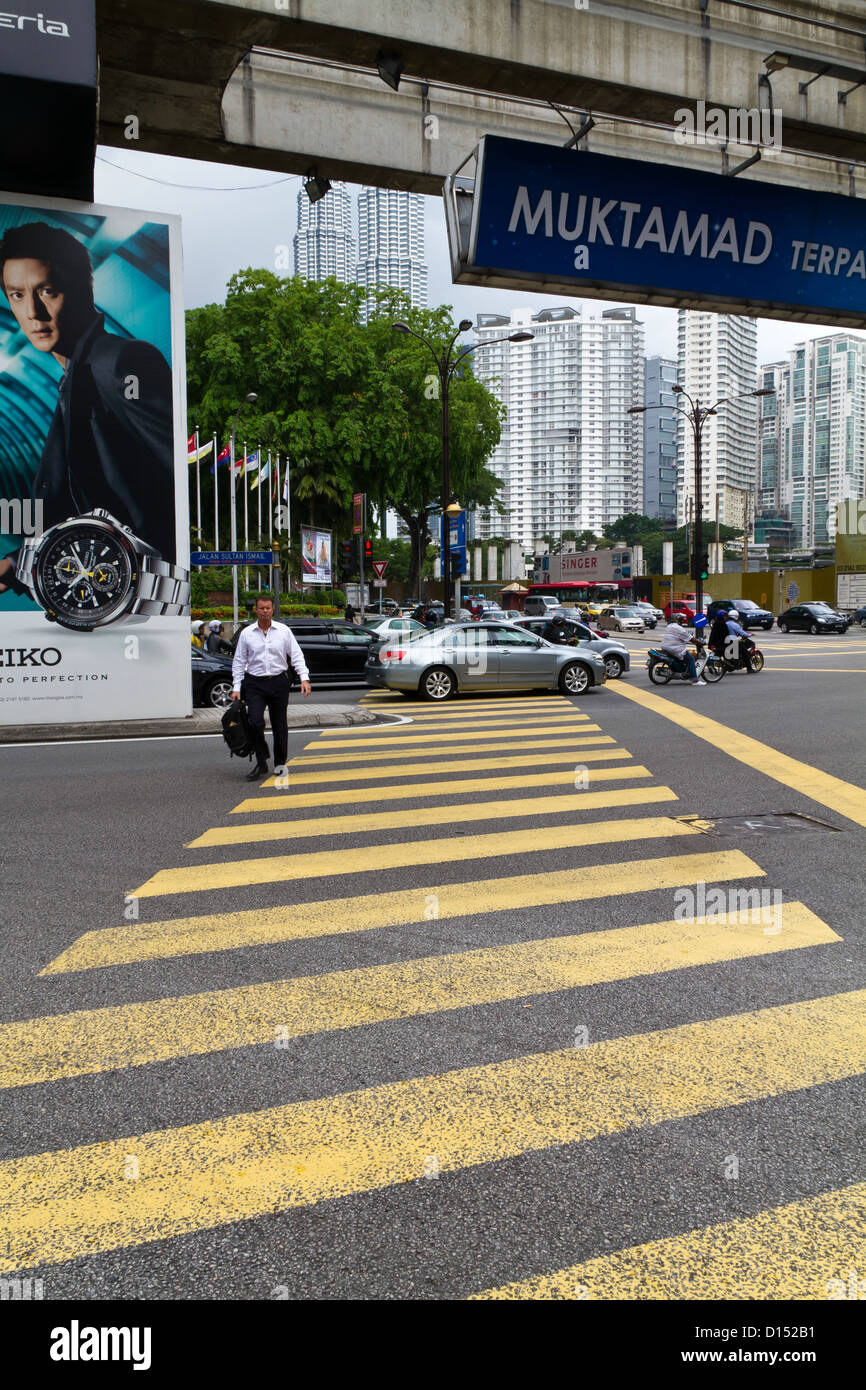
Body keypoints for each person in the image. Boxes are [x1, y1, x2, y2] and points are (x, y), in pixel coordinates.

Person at [0, 221, 175, 597]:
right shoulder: (74, 375)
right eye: (16, 295)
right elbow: (88, 500)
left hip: (136, 587)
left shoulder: (122, 361)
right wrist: (18, 563)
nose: (33, 312)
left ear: (84, 288)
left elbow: (171, 479)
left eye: (47, 291)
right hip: (105, 583)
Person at [231, 595, 311, 780]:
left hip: (278, 682)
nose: (264, 611)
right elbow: (239, 661)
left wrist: (304, 678)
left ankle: (280, 764)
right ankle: (261, 762)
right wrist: (236, 686)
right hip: (255, 683)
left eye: (267, 608)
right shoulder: (247, 633)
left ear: (272, 609)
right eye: (261, 608)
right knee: (255, 723)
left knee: (279, 725)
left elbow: (296, 655)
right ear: (256, 610)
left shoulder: (283, 631)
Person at [660, 612, 705, 686]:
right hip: (674, 648)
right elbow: (691, 639)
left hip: (666, 646)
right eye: (681, 620)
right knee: (691, 659)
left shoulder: (669, 626)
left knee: (682, 658)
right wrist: (700, 642)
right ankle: (695, 680)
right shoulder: (679, 628)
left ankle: (681, 671)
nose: (682, 621)